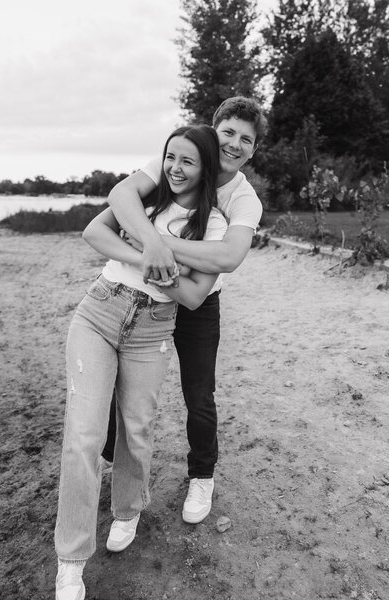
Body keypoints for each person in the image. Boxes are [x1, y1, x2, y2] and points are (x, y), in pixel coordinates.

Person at [54, 124, 227, 600]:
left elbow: (193, 295)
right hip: (99, 309)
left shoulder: (213, 227)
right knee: (83, 436)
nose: (175, 167)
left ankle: (127, 510)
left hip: (153, 326)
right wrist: (148, 247)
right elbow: (94, 230)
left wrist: (156, 265)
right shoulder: (144, 198)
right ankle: (70, 561)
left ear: (205, 169)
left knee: (136, 428)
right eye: (170, 156)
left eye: (188, 160)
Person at [97, 97, 268, 525]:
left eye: (246, 139)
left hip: (199, 300)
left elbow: (228, 257)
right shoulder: (182, 162)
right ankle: (113, 460)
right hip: (146, 296)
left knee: (198, 392)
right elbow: (120, 195)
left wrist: (156, 243)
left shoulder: (244, 198)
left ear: (254, 149)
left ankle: (202, 475)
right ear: (214, 131)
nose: (235, 144)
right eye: (228, 132)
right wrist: (149, 245)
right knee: (124, 385)